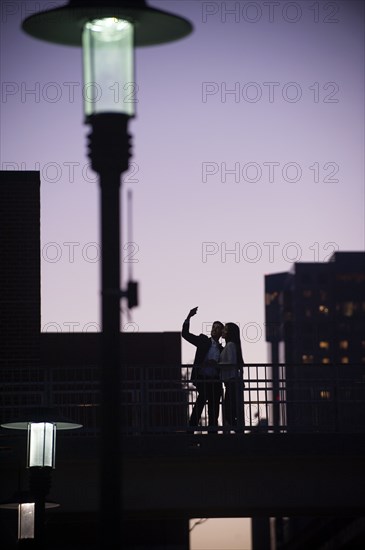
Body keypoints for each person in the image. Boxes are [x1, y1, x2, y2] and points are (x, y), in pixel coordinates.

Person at [182, 307, 224, 431]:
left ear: (221, 333)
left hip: (215, 381)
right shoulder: (203, 340)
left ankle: (213, 434)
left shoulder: (222, 349)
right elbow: (185, 335)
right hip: (203, 378)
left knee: (214, 409)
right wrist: (188, 317)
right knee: (201, 402)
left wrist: (216, 365)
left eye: (217, 328)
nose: (214, 330)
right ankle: (191, 429)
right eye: (213, 327)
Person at [219, 322, 245, 431]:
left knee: (230, 410)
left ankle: (236, 432)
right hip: (231, 381)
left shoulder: (230, 345)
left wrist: (216, 365)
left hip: (231, 381)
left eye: (225, 329)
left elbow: (231, 362)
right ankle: (236, 430)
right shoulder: (230, 345)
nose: (222, 331)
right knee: (232, 409)